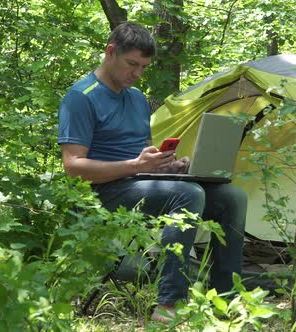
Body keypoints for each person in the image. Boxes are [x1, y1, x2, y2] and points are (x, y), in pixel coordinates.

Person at [57, 22, 247, 323]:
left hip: (143, 184)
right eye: (132, 64)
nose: (137, 73)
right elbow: (73, 167)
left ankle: (227, 299)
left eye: (144, 67)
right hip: (104, 192)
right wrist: (137, 166)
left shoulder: (136, 99)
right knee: (188, 194)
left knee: (232, 198)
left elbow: (142, 152)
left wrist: (165, 165)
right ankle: (168, 303)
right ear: (110, 52)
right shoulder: (81, 96)